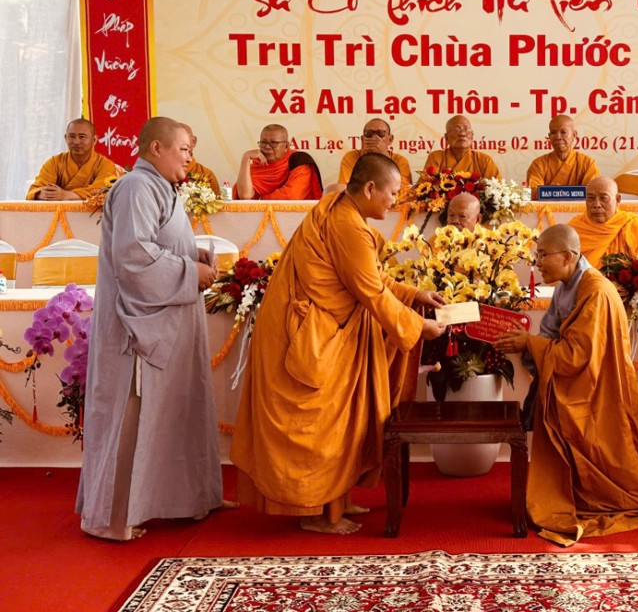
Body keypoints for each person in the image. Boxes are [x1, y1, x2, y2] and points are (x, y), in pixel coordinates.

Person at [231, 153, 447, 534]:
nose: (395, 201)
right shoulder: (347, 225)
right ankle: (316, 513)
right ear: (370, 189)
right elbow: (371, 292)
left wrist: (415, 294)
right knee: (318, 424)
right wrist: (418, 327)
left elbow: (368, 277)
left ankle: (335, 498)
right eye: (392, 193)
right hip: (309, 336)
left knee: (340, 421)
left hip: (324, 327)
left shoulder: (340, 208)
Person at [494, 225, 638, 546]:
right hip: (585, 383)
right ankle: (577, 488)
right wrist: (525, 341)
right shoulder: (566, 286)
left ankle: (596, 491)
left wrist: (530, 344)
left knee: (606, 456)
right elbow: (551, 333)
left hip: (600, 390)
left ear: (568, 256)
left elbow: (577, 356)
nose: (537, 263)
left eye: (543, 255)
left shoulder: (595, 291)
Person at [76, 117, 232, 541]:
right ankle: (117, 518)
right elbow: (133, 257)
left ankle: (184, 499)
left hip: (169, 321)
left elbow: (156, 243)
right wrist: (190, 272)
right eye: (184, 149)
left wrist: (192, 253)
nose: (190, 158)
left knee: (178, 410)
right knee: (134, 414)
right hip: (139, 329)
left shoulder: (158, 186)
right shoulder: (136, 187)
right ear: (156, 148)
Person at [568, 176, 638, 266]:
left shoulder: (634, 226)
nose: (597, 205)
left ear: (617, 200)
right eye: (591, 198)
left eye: (603, 198)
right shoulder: (575, 229)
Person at [26, 118, 119, 200]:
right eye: (71, 136)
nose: (76, 142)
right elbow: (34, 190)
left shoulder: (105, 165)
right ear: (65, 138)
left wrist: (66, 195)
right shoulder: (55, 162)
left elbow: (102, 192)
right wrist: (42, 194)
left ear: (94, 140)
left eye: (82, 137)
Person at [233, 123, 323, 199]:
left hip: (294, 214)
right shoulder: (258, 163)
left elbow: (292, 195)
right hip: (257, 213)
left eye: (273, 143)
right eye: (263, 142)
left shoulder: (298, 159)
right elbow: (245, 195)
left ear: (286, 146)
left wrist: (261, 201)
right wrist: (245, 158)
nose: (267, 147)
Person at [525, 114, 599, 199]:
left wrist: (557, 192)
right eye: (553, 133)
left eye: (563, 132)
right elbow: (531, 193)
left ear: (574, 135)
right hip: (546, 208)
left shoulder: (587, 163)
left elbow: (593, 193)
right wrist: (550, 192)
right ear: (549, 136)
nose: (558, 137)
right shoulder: (538, 164)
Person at [336, 118, 413, 185]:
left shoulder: (400, 161)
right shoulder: (351, 157)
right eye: (369, 134)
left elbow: (403, 190)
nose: (374, 138)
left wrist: (384, 158)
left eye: (380, 134)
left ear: (390, 139)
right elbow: (347, 188)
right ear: (363, 139)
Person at [422, 115, 501, 179]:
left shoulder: (484, 160)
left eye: (466, 129)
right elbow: (425, 187)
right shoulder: (436, 157)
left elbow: (497, 189)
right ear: (446, 137)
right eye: (457, 129)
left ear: (472, 136)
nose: (462, 134)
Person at [180, 123, 220, 194]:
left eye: (184, 137)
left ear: (194, 141)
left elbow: (216, 200)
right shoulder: (163, 173)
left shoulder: (206, 174)